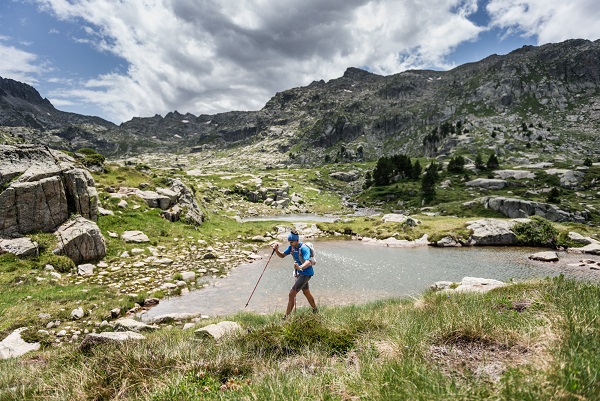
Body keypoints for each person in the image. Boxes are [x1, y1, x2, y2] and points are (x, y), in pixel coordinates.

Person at [272, 230, 318, 318]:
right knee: (306, 293)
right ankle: (315, 310)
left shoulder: (304, 248)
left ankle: (285, 317)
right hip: (300, 273)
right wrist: (276, 250)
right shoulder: (291, 248)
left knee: (292, 294)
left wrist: (300, 267)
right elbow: (282, 255)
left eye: (292, 242)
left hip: (306, 273)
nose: (290, 244)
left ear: (297, 240)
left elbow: (308, 262)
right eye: (289, 242)